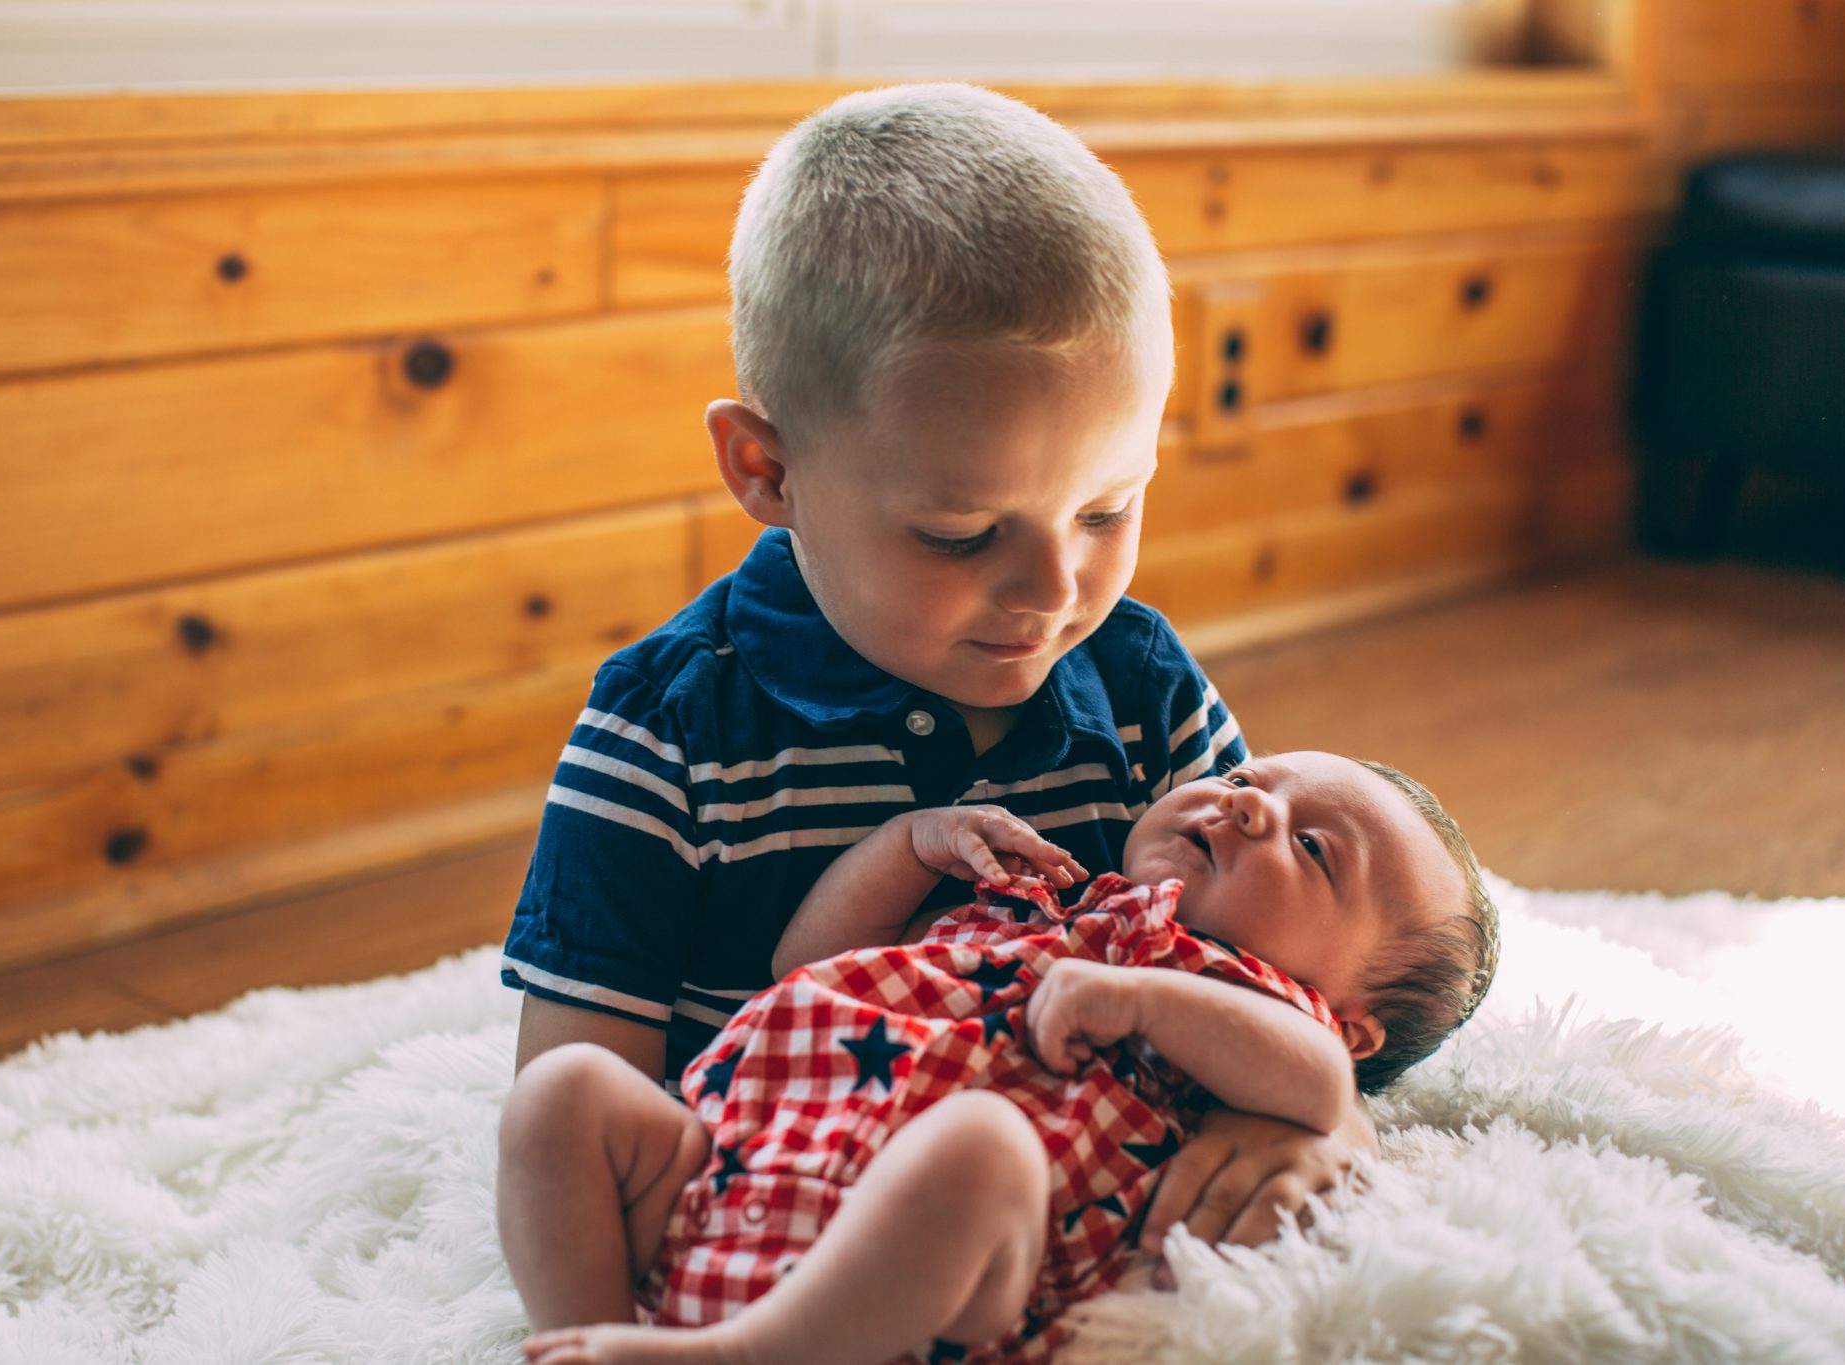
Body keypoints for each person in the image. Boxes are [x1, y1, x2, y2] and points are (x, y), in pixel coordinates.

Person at [496, 79, 1366, 1291]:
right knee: (557, 1103)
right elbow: (586, 1078)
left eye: (1108, 509)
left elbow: (1280, 974)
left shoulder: (1139, 686)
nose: (1050, 592)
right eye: (961, 535)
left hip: (1015, 1183)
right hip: (753, 1181)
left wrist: (1318, 1120)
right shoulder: (665, 728)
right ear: (766, 469)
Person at [504, 750, 1500, 1365]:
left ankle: (743, 1355)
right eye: (1245, 780)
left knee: (982, 1140)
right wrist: (906, 847)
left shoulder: (1257, 1007)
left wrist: (1145, 998)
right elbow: (804, 965)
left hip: (924, 1277)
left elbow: (1317, 1084)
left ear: (1351, 1015)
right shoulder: (1043, 902)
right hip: (719, 1174)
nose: (1244, 805)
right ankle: (584, 1335)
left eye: (1314, 849)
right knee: (568, 1092)